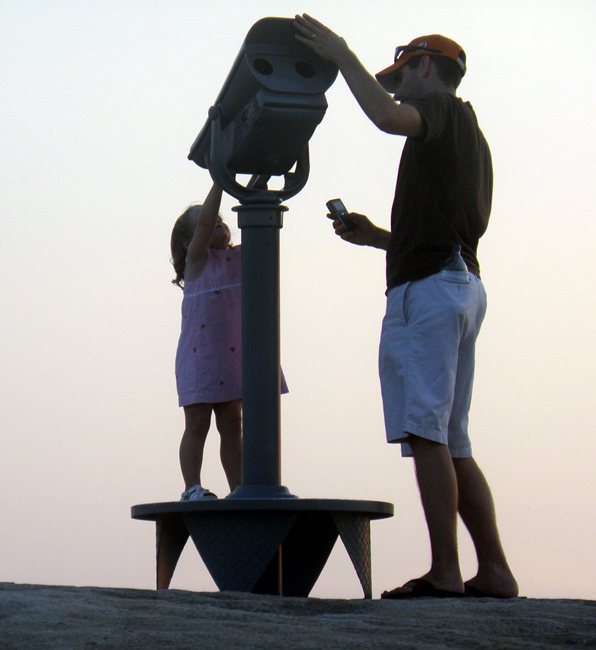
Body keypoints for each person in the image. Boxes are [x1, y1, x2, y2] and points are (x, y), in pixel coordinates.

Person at [294, 14, 518, 599]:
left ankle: (445, 572)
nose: (395, 87)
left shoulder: (444, 110)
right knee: (451, 438)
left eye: (401, 74)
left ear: (425, 67)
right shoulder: (470, 136)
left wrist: (342, 55)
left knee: (425, 431)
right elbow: (449, 232)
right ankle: (493, 570)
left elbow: (388, 117)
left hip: (432, 290)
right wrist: (377, 238)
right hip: (458, 281)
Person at [170, 182, 288, 502]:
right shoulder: (197, 261)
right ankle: (191, 487)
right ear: (187, 240)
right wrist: (221, 180)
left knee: (231, 424)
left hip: (232, 355)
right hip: (200, 356)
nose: (217, 222)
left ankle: (239, 489)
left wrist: (253, 186)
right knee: (198, 423)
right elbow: (206, 224)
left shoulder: (240, 256)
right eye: (208, 221)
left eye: (222, 220)